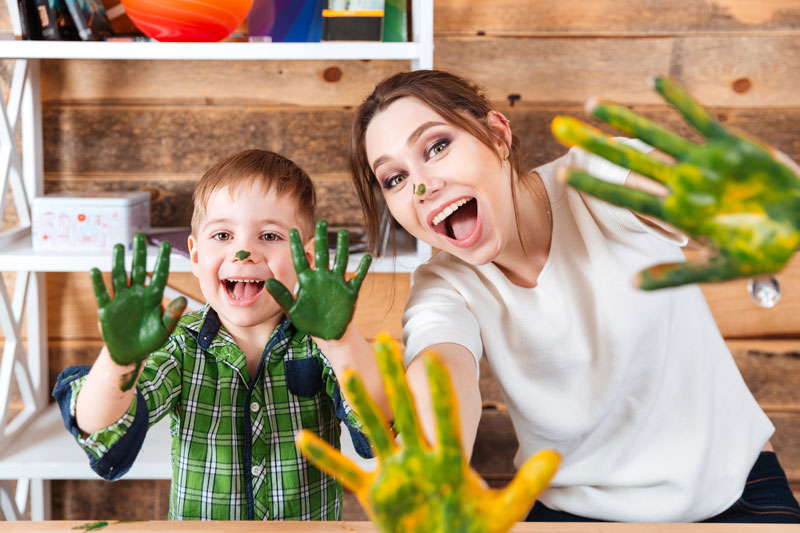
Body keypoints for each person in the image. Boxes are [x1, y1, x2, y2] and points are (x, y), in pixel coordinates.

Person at [345, 69, 800, 523]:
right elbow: (442, 366)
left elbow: (676, 192)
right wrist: (432, 464)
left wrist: (737, 201)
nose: (423, 186)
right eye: (395, 179)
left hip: (737, 493)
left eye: (437, 147)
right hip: (573, 514)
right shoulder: (443, 284)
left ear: (498, 135)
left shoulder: (593, 179)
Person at [53, 149, 382, 521]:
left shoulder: (322, 342)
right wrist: (119, 359)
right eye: (223, 234)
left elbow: (378, 426)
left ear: (306, 259)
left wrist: (340, 341)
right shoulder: (178, 344)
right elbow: (101, 429)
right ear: (195, 256)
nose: (244, 252)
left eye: (270, 235)